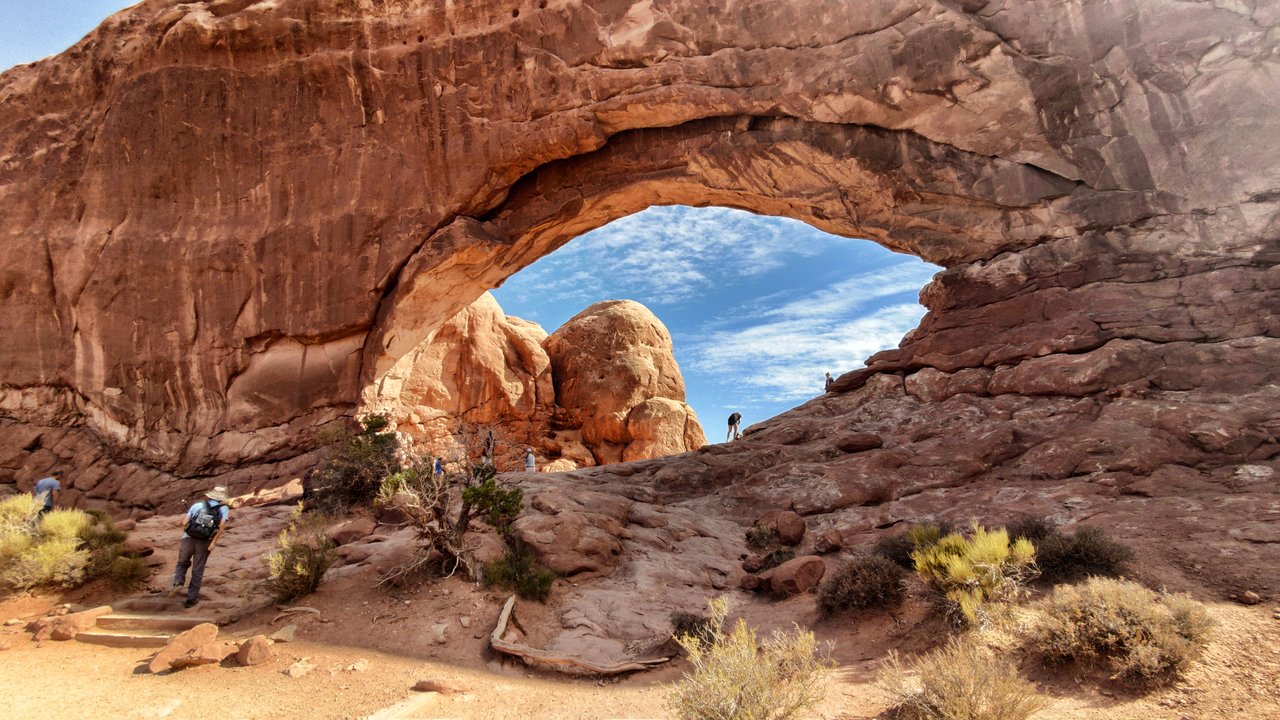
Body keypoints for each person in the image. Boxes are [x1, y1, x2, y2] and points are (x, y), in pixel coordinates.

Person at [171, 486, 230, 609]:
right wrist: (213, 543)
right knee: (198, 569)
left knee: (182, 562)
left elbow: (184, 523)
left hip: (188, 538)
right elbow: (221, 527)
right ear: (222, 498)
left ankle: (178, 582)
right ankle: (191, 599)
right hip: (205, 541)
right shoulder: (223, 509)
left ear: (209, 496)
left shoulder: (197, 505)